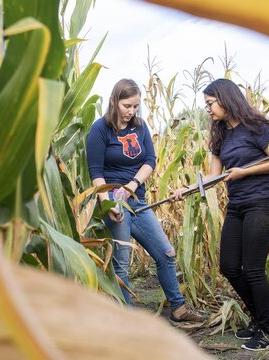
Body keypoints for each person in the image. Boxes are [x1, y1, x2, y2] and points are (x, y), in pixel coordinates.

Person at [171, 78, 269, 351]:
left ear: (226, 99)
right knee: (230, 266)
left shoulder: (256, 127)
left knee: (253, 269)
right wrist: (187, 189)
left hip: (263, 202)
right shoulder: (221, 135)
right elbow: (213, 176)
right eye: (206, 105)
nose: (208, 109)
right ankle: (260, 319)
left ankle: (267, 329)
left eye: (210, 103)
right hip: (238, 204)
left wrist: (244, 171)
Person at [86, 79, 203, 323]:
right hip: (114, 200)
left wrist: (133, 185)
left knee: (166, 253)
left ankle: (178, 308)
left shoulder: (139, 127)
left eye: (136, 106)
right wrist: (108, 205)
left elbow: (150, 159)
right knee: (121, 265)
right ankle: (126, 321)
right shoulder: (100, 129)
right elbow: (96, 173)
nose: (131, 111)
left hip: (137, 200)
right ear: (114, 101)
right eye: (127, 106)